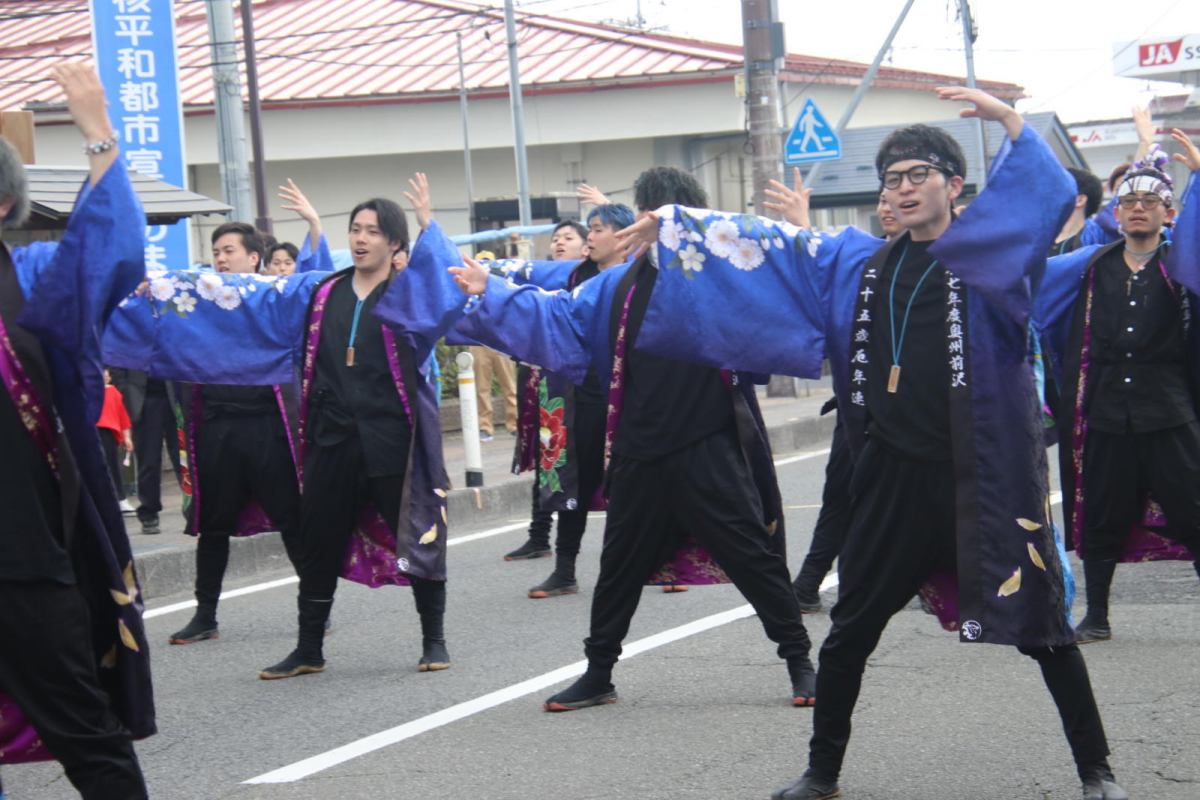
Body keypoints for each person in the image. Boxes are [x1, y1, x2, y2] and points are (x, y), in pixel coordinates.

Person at [620, 88, 1128, 800]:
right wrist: (677, 226)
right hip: (890, 481)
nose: (903, 188)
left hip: (978, 482)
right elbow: (773, 249)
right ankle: (821, 772)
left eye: (919, 173)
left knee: (1043, 631)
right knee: (849, 633)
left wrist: (1013, 123)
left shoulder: (990, 256)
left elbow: (1040, 198)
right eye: (892, 178)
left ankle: (1096, 770)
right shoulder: (859, 263)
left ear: (955, 185)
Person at [447, 166, 818, 710]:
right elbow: (558, 313)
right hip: (638, 446)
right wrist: (494, 292)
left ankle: (800, 663)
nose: (655, 224)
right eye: (651, 212)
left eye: (668, 215)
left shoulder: (716, 271)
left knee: (752, 558)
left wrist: (797, 228)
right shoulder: (618, 283)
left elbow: (783, 286)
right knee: (618, 567)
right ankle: (599, 673)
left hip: (705, 442)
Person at [105, 174, 464, 680]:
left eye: (372, 231)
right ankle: (309, 649)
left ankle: (434, 639)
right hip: (332, 439)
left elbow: (445, 291)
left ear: (395, 243)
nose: (360, 238)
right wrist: (166, 289)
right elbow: (248, 295)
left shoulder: (407, 293)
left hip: (393, 441)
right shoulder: (320, 292)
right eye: (356, 229)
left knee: (417, 534)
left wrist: (429, 222)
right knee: (318, 540)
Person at [0, 62, 154, 799]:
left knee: (89, 740)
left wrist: (98, 134)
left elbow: (109, 253)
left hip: (22, 561)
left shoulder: (31, 280)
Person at [1036, 135, 1200, 646]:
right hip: (1105, 409)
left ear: (1169, 212)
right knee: (1102, 511)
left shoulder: (1183, 267)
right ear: (1116, 210)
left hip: (1169, 408)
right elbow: (1028, 281)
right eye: (1128, 201)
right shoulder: (1091, 265)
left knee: (1193, 509)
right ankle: (1097, 615)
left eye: (1150, 202)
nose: (1138, 209)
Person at [163, 221, 308, 646]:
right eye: (217, 251)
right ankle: (205, 614)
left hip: (267, 426)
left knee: (292, 521)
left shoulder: (274, 298)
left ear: (253, 258)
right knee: (213, 524)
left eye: (229, 250)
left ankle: (316, 605)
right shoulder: (199, 301)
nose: (221, 259)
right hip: (218, 427)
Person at [504, 219, 591, 563]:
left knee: (593, 469)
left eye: (568, 238)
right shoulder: (540, 284)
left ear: (586, 247)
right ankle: (539, 536)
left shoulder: (592, 282)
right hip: (545, 388)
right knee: (547, 460)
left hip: (582, 391)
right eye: (555, 238)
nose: (559, 243)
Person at [97, 369, 135, 513]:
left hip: (108, 433)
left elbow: (122, 415)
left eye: (107, 376)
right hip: (93, 430)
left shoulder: (113, 392)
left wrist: (127, 437)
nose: (105, 378)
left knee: (113, 466)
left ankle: (120, 499)